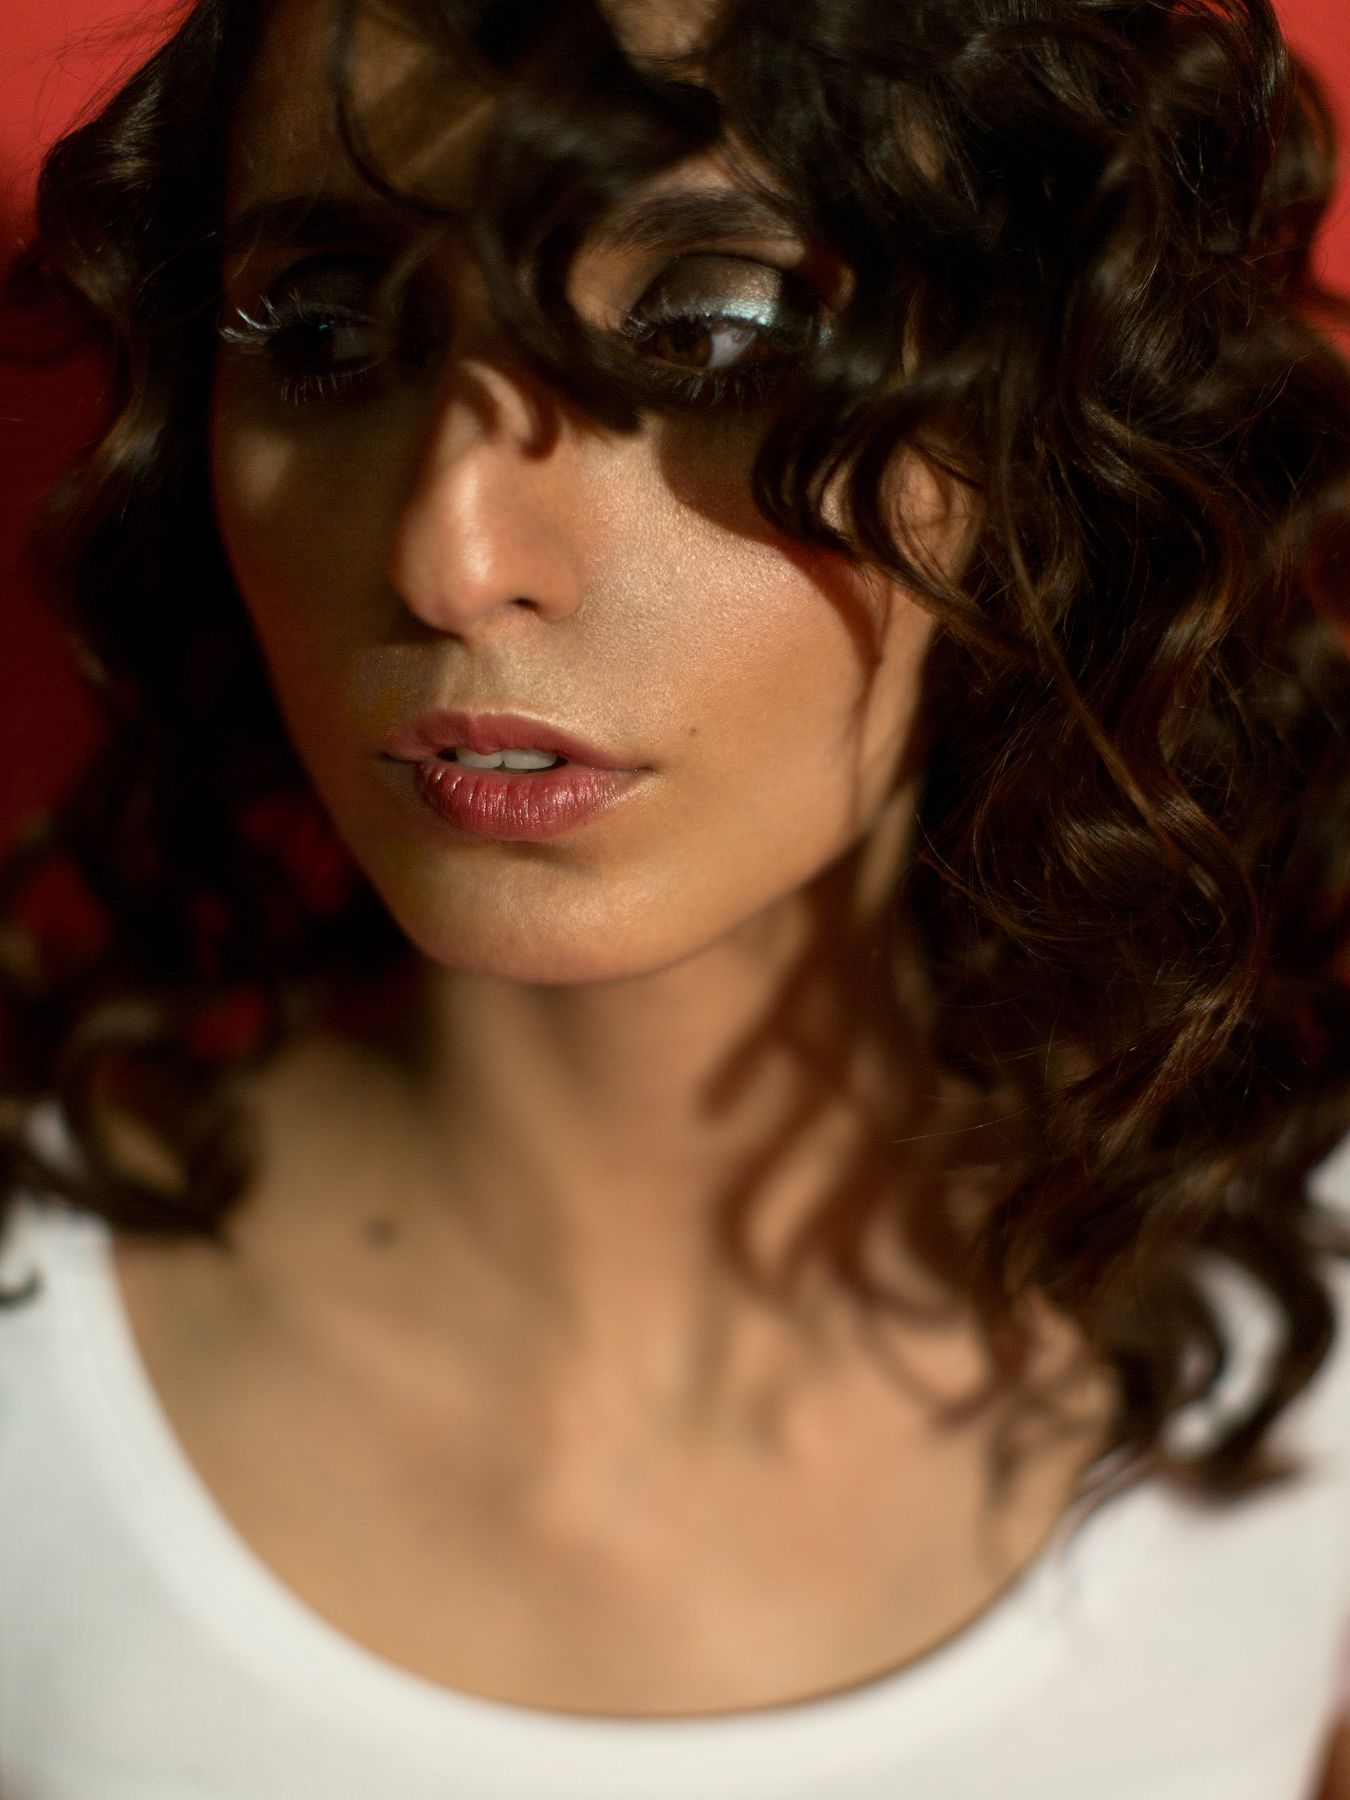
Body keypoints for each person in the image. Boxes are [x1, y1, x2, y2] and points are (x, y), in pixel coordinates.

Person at [2, 0, 1349, 1792]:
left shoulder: (1316, 1325)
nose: (450, 552)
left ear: (1051, 417)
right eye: (322, 331)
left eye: (711, 329)